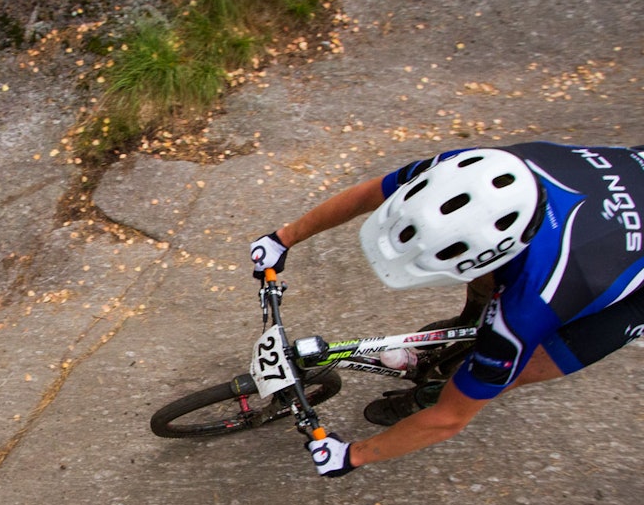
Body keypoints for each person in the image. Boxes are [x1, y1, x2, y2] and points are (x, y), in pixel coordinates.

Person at [249, 142, 644, 477]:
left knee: (521, 365)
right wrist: (284, 238)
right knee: (486, 283)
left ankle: (431, 391)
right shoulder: (467, 171)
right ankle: (465, 331)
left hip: (611, 277)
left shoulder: (533, 304)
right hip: (614, 189)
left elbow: (450, 420)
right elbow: (372, 193)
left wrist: (353, 455)